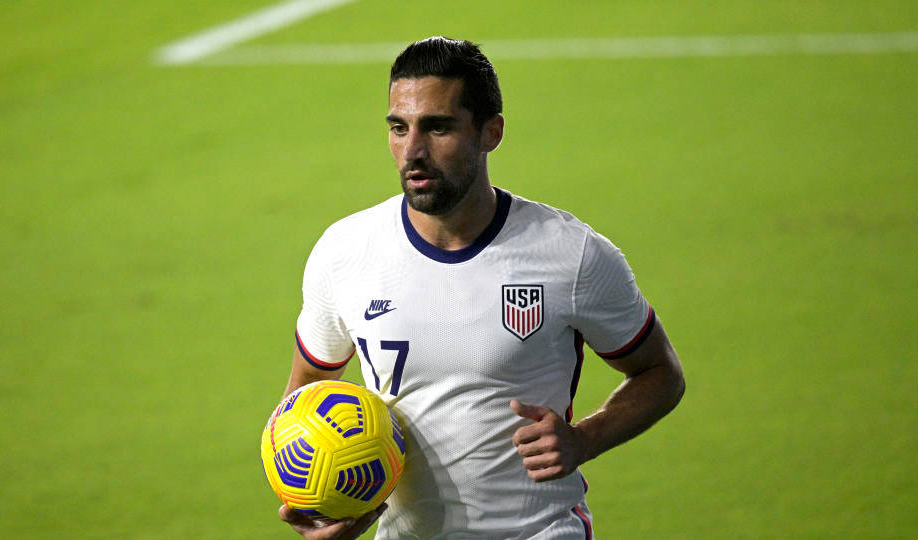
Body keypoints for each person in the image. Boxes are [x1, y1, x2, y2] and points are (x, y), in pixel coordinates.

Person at [278, 36, 685, 539]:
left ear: (490, 132)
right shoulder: (345, 252)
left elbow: (660, 373)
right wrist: (320, 505)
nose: (413, 152)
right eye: (399, 128)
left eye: (438, 127)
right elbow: (305, 395)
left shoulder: (571, 255)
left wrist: (583, 440)